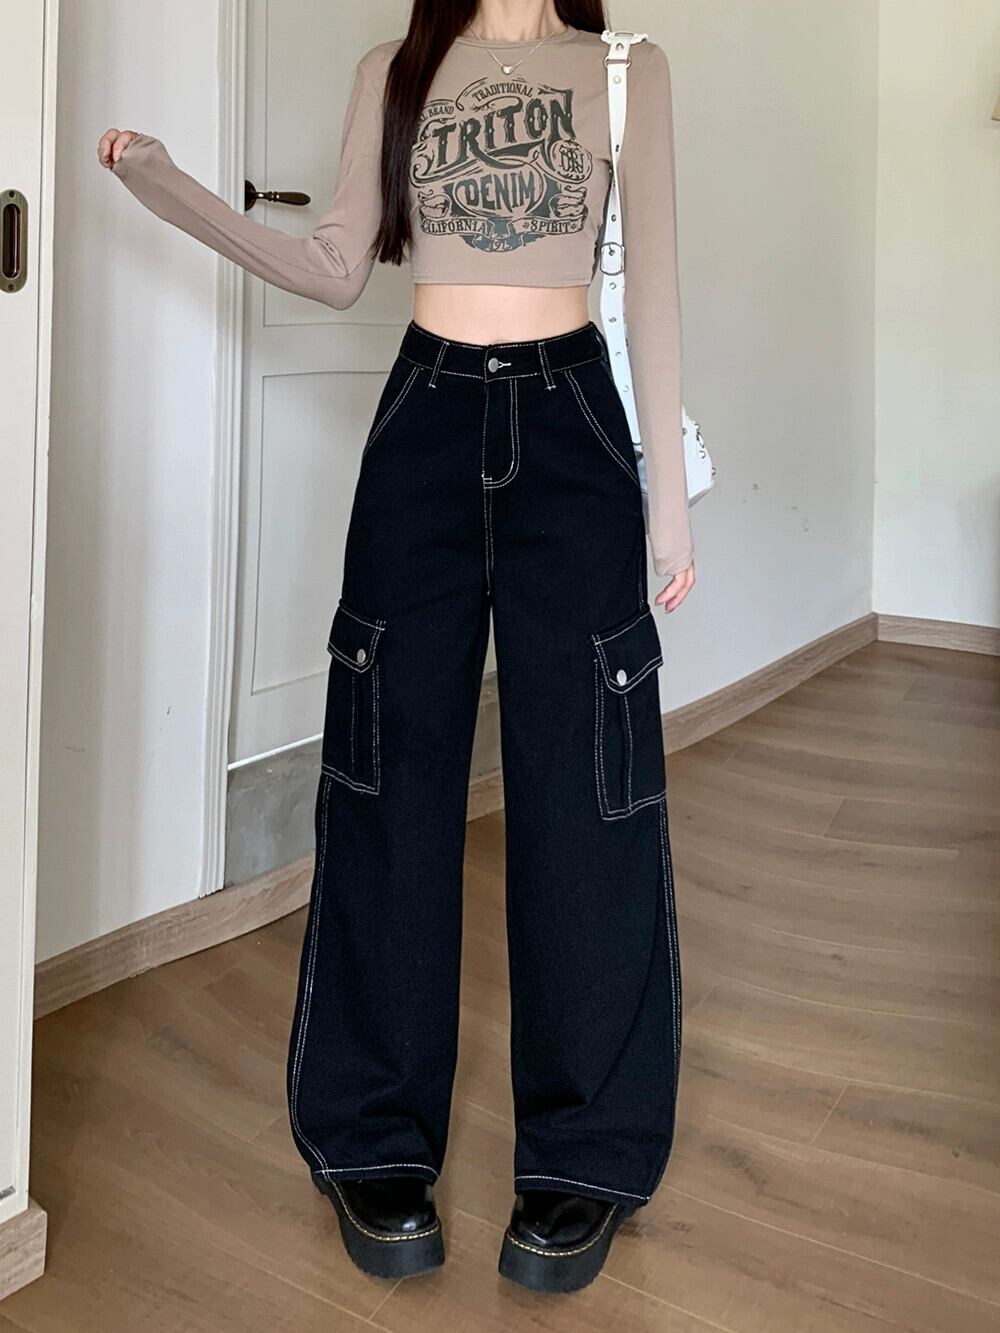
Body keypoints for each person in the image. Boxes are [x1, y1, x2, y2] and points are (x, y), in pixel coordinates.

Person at [98, 0, 692, 1295]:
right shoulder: (398, 69)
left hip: (574, 421)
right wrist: (168, 185)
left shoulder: (626, 74)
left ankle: (582, 1155)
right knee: (389, 774)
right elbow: (334, 263)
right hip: (425, 417)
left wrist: (667, 502)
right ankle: (374, 1136)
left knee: (585, 787)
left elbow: (652, 285)